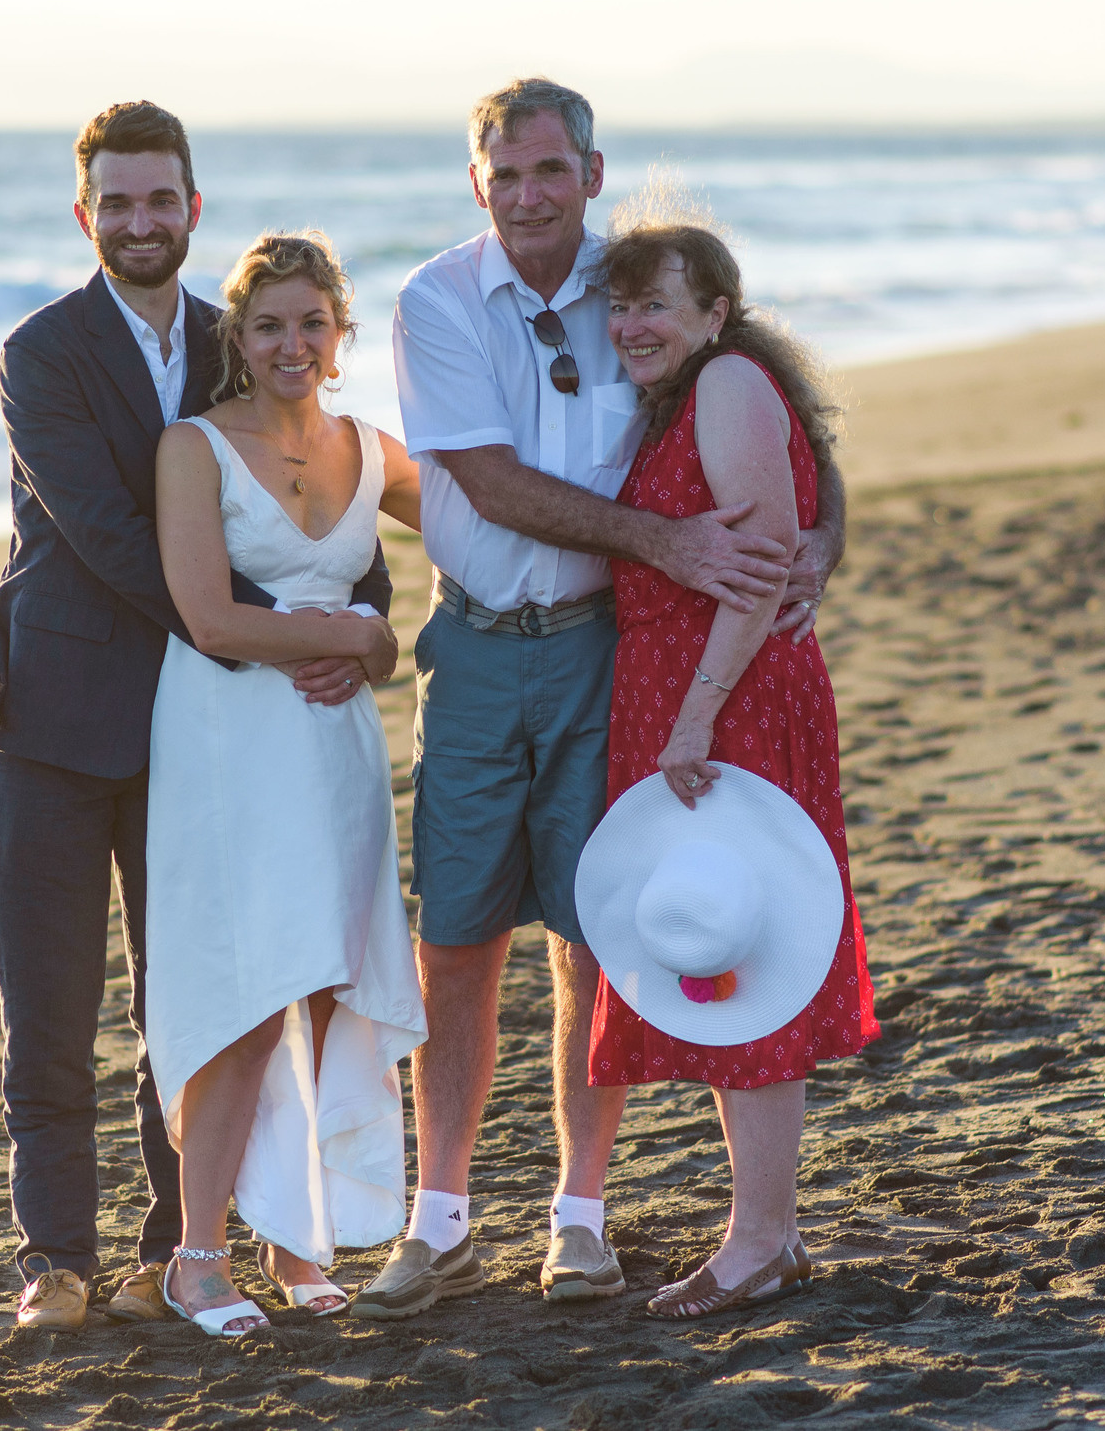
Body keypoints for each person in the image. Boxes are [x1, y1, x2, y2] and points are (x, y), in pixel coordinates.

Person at [360, 78, 844, 1320]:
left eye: (547, 170)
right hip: (474, 646)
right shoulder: (437, 298)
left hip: (607, 653)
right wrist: (667, 543)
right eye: (503, 174)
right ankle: (440, 1216)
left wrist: (821, 535)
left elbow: (769, 394)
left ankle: (579, 1215)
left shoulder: (638, 287)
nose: (526, 194)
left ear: (588, 170)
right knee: (455, 932)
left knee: (598, 927)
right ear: (478, 184)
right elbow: (483, 478)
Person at [0, 103, 395, 1331]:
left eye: (161, 200)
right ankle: (52, 1257)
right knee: (47, 1006)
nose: (140, 221)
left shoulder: (239, 339)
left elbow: (310, 480)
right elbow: (107, 534)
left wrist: (359, 609)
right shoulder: (38, 354)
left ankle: (175, 1245)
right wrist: (286, 625)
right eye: (117, 201)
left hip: (203, 727)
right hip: (52, 712)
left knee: (194, 994)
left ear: (193, 208)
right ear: (85, 212)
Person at [585, 211, 879, 1319]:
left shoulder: (726, 386)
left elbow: (757, 573)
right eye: (619, 304)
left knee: (747, 946)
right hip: (697, 694)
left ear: (715, 311)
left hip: (728, 698)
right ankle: (764, 1230)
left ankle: (761, 1237)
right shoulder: (699, 389)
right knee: (725, 949)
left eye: (654, 302)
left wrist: (695, 716)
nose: (631, 324)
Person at [143, 231, 429, 1337]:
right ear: (238, 337)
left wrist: (373, 645)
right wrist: (339, 630)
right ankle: (195, 1256)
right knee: (248, 993)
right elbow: (209, 616)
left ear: (341, 333)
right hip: (229, 742)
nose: (290, 343)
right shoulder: (193, 447)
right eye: (267, 325)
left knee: (323, 980)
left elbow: (451, 559)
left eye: (312, 322)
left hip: (333, 746)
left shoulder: (371, 446)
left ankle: (296, 1236)